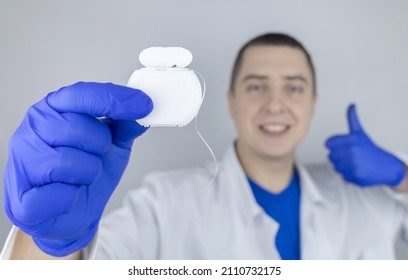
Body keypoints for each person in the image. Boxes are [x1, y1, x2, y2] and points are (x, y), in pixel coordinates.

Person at [2, 33, 408, 260]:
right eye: (256, 86)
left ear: (314, 102)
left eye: (294, 87)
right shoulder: (164, 204)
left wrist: (404, 178)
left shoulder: (368, 202)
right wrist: (50, 243)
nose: (275, 104)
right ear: (230, 100)